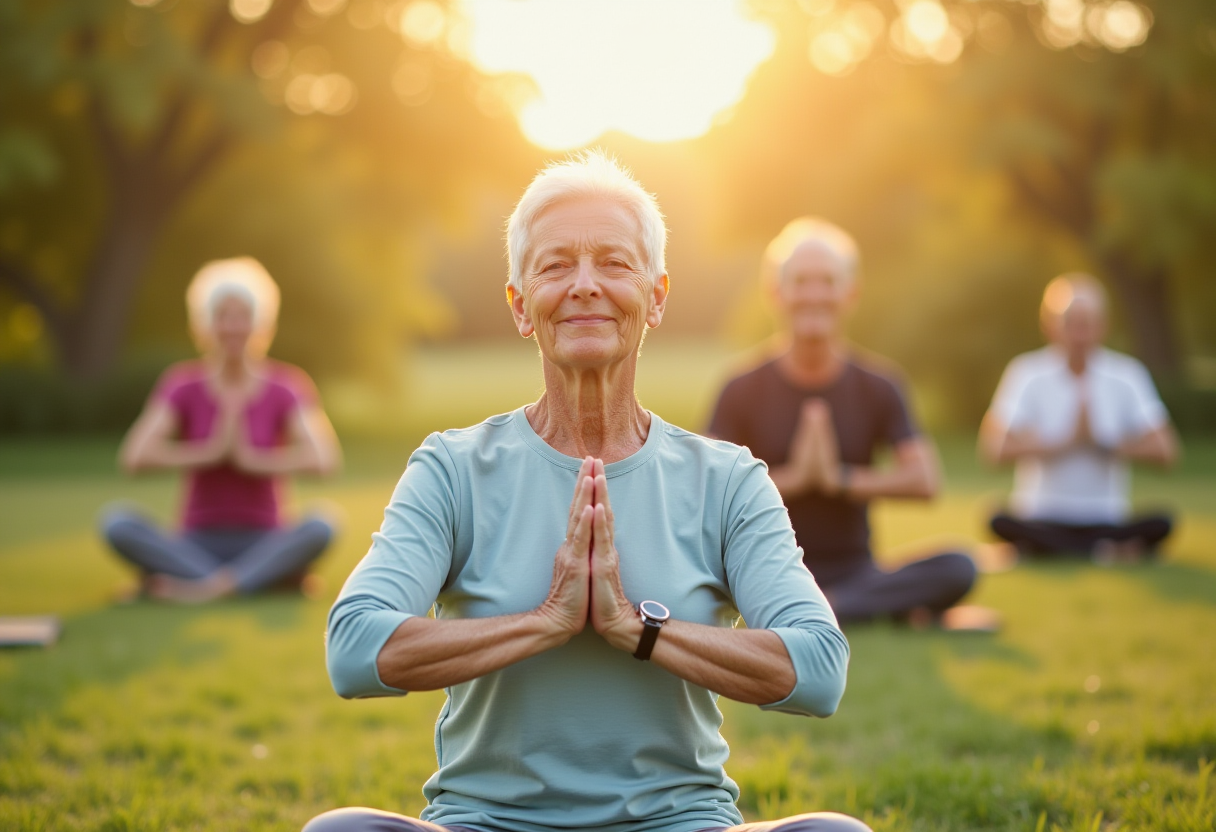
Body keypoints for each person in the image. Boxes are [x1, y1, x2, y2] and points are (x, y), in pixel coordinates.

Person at [307, 154, 868, 832]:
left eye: (613, 262)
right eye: (553, 266)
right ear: (520, 306)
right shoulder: (453, 468)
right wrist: (545, 622)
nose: (584, 286)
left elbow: (818, 667)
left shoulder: (727, 480)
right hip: (489, 823)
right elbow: (354, 650)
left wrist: (638, 630)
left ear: (656, 296)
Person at [708, 218, 991, 630]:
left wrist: (839, 479)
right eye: (801, 281)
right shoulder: (740, 387)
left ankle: (828, 606)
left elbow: (924, 480)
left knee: (959, 566)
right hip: (765, 568)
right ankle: (853, 608)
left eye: (827, 281)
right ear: (776, 292)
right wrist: (797, 478)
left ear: (850, 293)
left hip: (856, 571)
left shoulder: (880, 385)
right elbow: (705, 498)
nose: (814, 294)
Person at [101, 257, 342, 603]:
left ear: (260, 324)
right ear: (205, 325)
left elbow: (325, 460)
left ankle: (203, 587)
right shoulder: (182, 384)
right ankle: (257, 581)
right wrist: (209, 453)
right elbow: (133, 458)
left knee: (323, 523)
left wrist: (252, 460)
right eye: (223, 316)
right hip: (196, 541)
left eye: (242, 316)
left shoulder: (286, 385)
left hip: (265, 539)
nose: (232, 326)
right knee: (116, 521)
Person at [979, 273, 1179, 560]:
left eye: (1087, 325)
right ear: (1050, 325)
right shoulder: (1026, 372)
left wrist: (1104, 442)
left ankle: (1055, 550)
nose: (1079, 335)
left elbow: (1167, 452)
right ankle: (1105, 552)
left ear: (1102, 326)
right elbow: (992, 450)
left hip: (1105, 517)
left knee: (1163, 521)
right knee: (995, 517)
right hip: (1040, 516)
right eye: (1071, 324)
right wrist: (1063, 441)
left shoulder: (1127, 374)